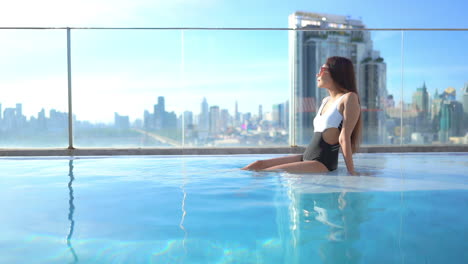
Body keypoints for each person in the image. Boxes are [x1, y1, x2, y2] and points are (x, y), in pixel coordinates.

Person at [242, 56, 362, 175]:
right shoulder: (325, 100)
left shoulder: (349, 98)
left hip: (322, 162)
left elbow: (343, 138)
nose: (317, 75)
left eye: (322, 70)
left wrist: (352, 172)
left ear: (336, 72)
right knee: (257, 164)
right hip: (307, 156)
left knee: (267, 172)